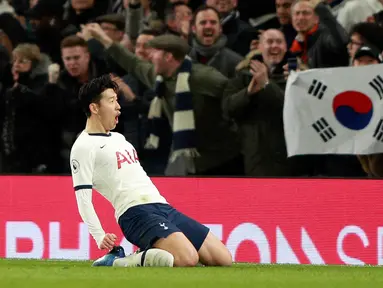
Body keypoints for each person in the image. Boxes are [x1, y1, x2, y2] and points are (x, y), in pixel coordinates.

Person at [70, 74, 232, 267]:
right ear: (94, 107)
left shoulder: (119, 138)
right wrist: (99, 235)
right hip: (134, 213)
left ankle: (152, 253)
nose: (118, 106)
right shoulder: (83, 146)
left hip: (162, 207)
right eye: (112, 101)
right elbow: (83, 198)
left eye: (117, 100)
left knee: (223, 259)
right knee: (187, 259)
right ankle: (121, 262)